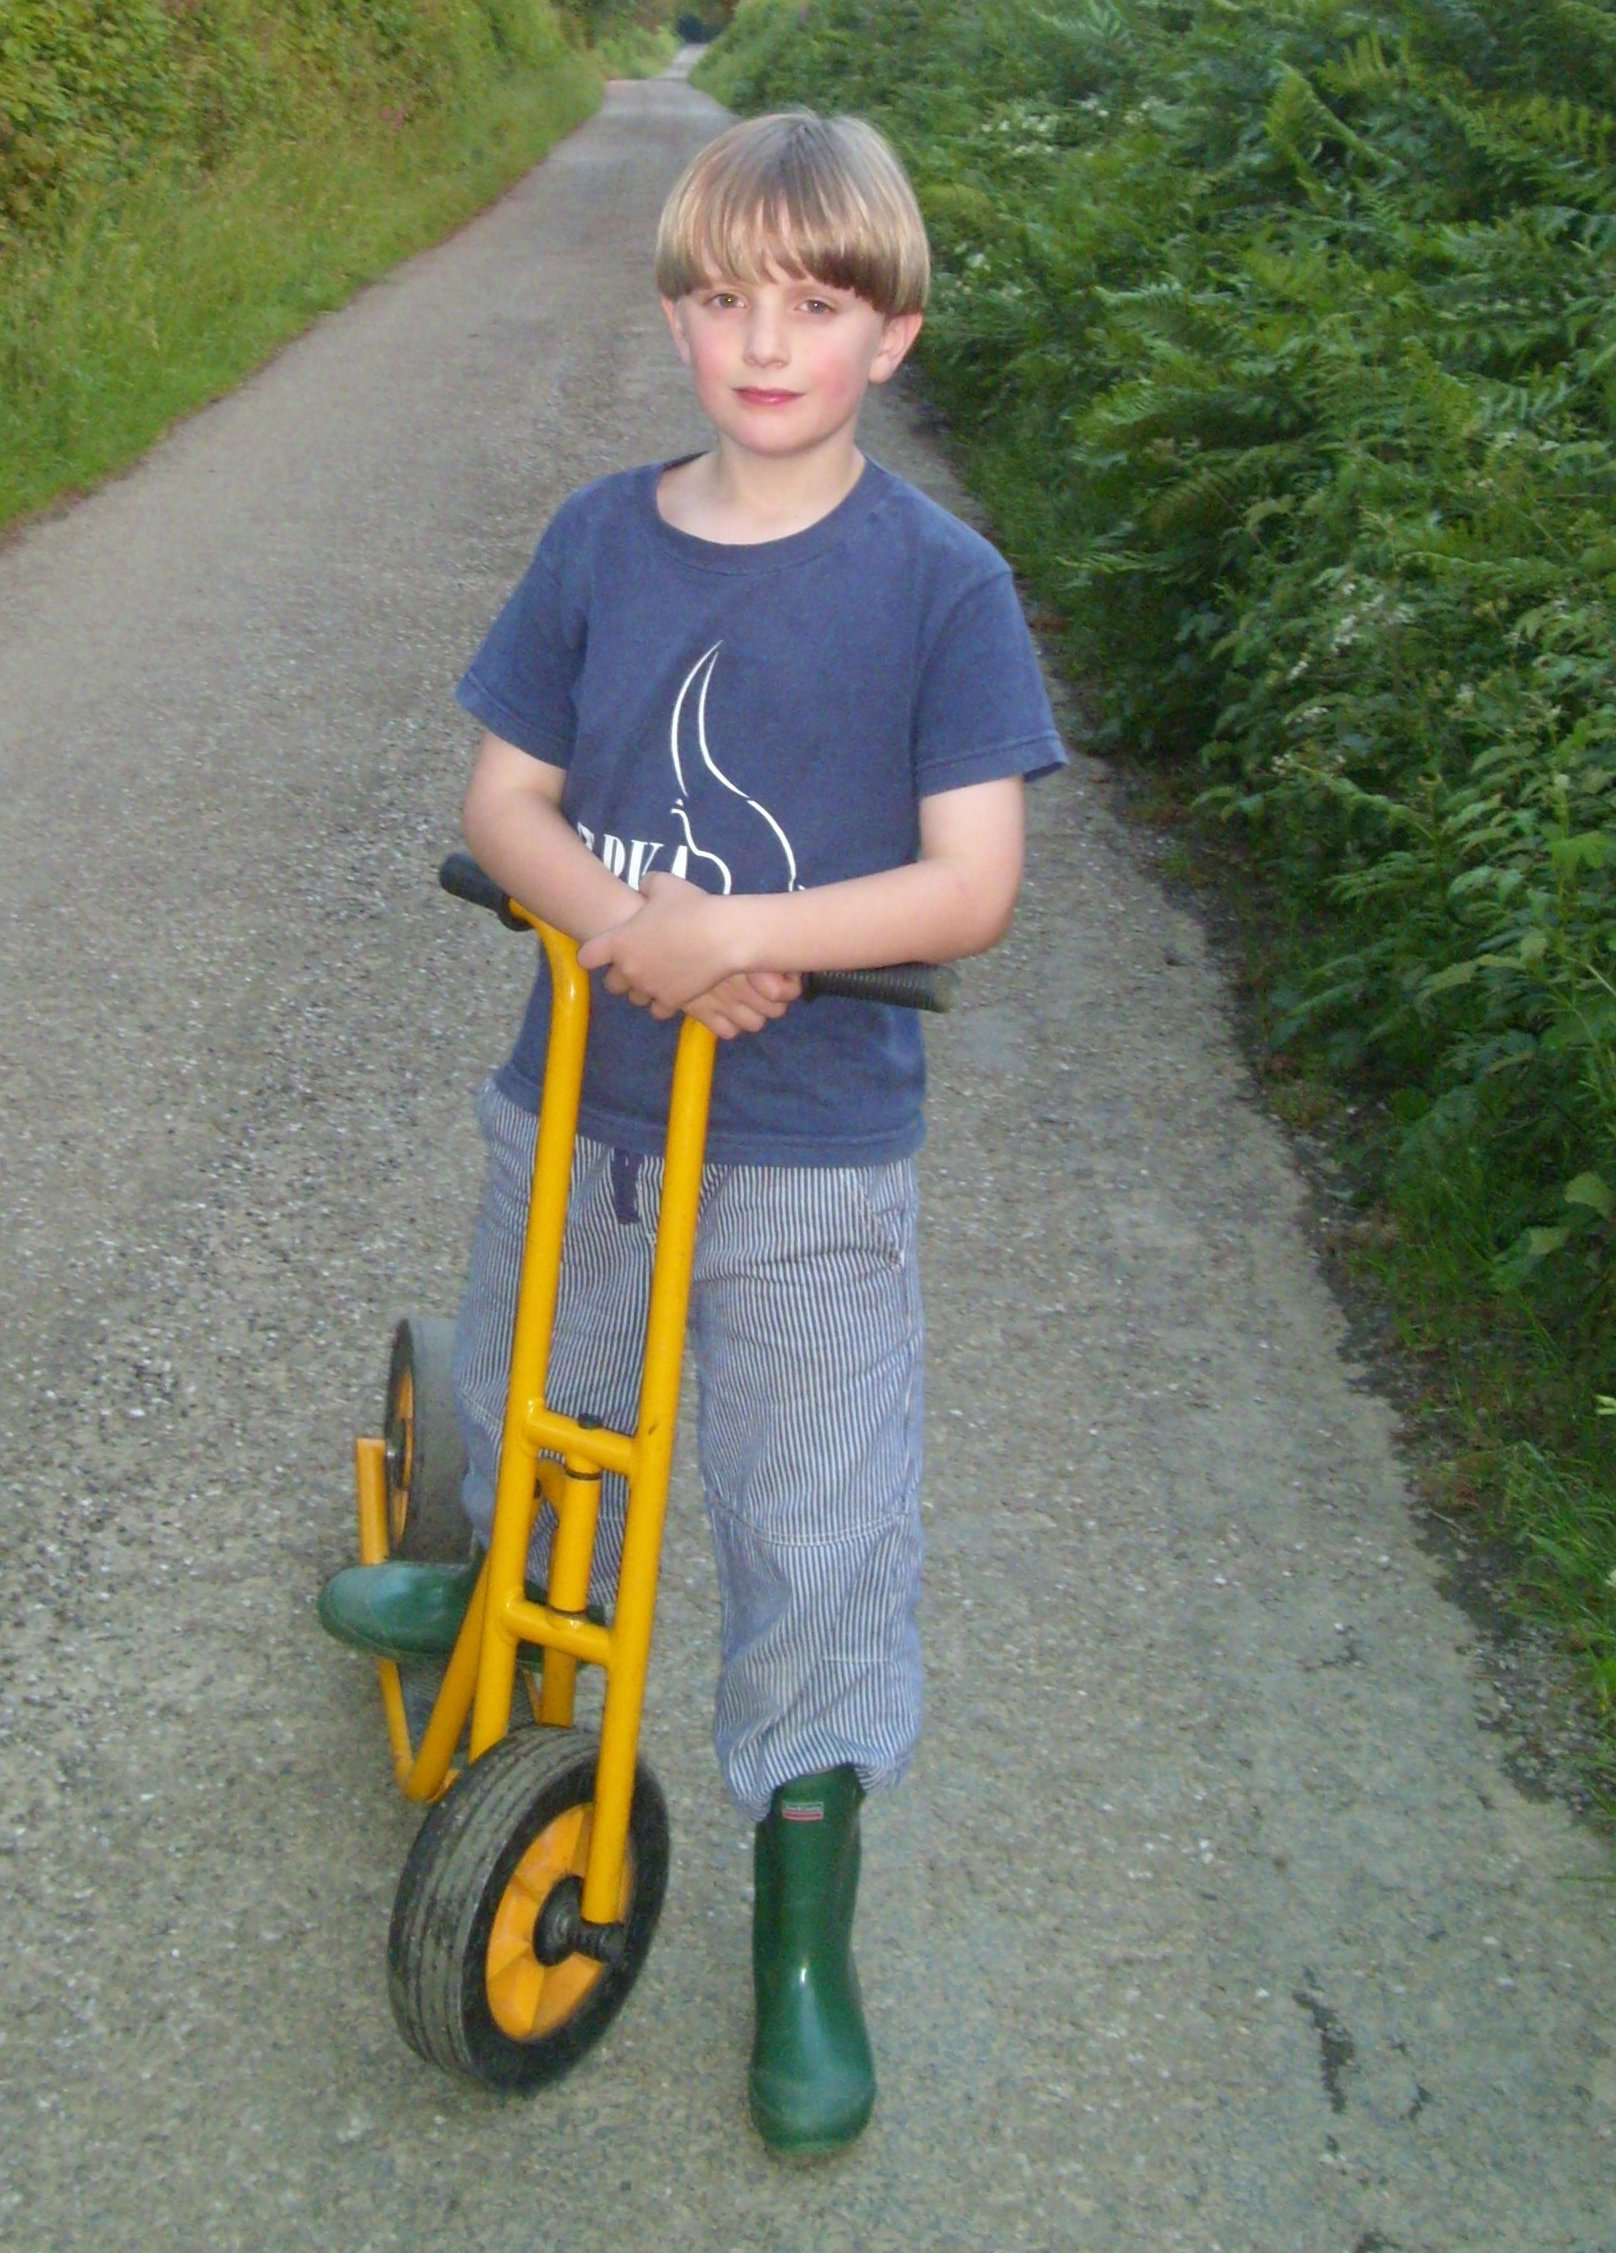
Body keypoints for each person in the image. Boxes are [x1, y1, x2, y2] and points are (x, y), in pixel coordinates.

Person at [321, 109, 1064, 2155]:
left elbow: (971, 885)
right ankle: (480, 1579)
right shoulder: (600, 540)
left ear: (890, 337)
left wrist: (746, 934)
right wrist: (636, 933)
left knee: (816, 1531)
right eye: (727, 299)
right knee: (530, 1385)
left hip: (812, 1156)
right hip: (580, 1104)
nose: (765, 342)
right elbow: (504, 803)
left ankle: (805, 1938)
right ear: (674, 316)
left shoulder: (942, 585)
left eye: (814, 306)